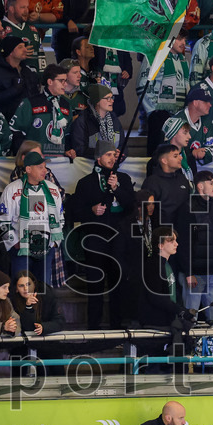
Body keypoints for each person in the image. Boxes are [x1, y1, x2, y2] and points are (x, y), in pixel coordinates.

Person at [71, 141, 134, 329]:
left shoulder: (123, 178)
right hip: (95, 240)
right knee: (95, 287)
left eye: (114, 156)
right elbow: (74, 211)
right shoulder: (85, 183)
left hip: (118, 240)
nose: (112, 158)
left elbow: (131, 206)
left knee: (118, 286)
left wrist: (117, 189)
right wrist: (92, 210)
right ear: (98, 158)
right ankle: (94, 329)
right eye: (108, 155)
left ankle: (117, 327)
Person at [0, 151, 66, 286]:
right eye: (40, 167)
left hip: (46, 249)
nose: (45, 170)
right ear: (28, 169)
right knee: (21, 287)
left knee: (43, 287)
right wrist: (15, 243)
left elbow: (60, 218)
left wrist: (53, 242)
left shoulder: (53, 189)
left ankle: (42, 308)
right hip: (21, 249)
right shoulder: (12, 190)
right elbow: (2, 221)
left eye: (45, 167)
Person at [173, 170, 213, 325]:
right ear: (200, 186)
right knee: (190, 318)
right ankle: (188, 348)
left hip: (212, 273)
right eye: (211, 183)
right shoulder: (187, 208)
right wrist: (188, 272)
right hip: (194, 273)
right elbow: (183, 244)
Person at [9, 64, 72, 156]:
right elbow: (15, 131)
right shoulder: (31, 103)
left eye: (66, 81)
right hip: (36, 161)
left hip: (59, 161)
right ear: (50, 81)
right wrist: (26, 153)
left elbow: (67, 134)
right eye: (61, 81)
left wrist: (68, 150)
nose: (65, 84)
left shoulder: (66, 105)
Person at [136, 31, 190, 120]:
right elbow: (143, 85)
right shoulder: (155, 57)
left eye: (185, 39)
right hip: (160, 116)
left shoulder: (184, 61)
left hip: (180, 117)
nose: (183, 43)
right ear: (170, 38)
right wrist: (153, 112)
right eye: (180, 39)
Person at [0, 36, 40, 118]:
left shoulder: (27, 71)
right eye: (20, 47)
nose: (25, 50)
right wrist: (13, 90)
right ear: (10, 52)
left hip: (29, 119)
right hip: (5, 121)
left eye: (24, 46)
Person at [142, 141, 193, 225]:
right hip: (161, 231)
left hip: (183, 229)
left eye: (179, 155)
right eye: (175, 156)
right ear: (164, 161)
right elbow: (147, 210)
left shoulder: (182, 179)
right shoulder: (152, 182)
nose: (180, 158)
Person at [70, 84, 121, 157]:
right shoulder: (82, 121)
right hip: (89, 166)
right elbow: (80, 149)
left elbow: (122, 145)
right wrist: (103, 153)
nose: (112, 101)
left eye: (112, 97)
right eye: (108, 98)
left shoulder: (115, 119)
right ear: (97, 101)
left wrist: (121, 155)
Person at [1, 0, 45, 74]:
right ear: (11, 9)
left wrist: (42, 76)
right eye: (22, 7)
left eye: (27, 7)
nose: (26, 11)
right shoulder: (0, 27)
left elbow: (40, 55)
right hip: (10, 79)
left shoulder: (32, 28)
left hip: (33, 80)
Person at [11, 270, 65, 335]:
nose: (26, 288)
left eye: (28, 284)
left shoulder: (47, 295)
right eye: (21, 286)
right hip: (24, 341)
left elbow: (60, 322)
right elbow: (27, 328)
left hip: (47, 339)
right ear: (16, 289)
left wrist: (44, 327)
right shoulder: (12, 301)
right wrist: (28, 307)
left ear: (34, 284)